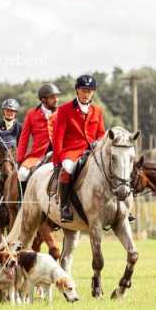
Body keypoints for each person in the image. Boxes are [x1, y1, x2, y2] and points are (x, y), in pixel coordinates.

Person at [52, 75, 106, 222]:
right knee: (68, 169)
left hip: (93, 151)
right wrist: (57, 161)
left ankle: (119, 206)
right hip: (71, 151)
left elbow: (101, 134)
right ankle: (64, 207)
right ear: (77, 91)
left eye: (89, 91)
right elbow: (58, 137)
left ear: (93, 92)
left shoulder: (98, 111)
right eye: (83, 90)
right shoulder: (64, 110)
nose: (86, 94)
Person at [17, 83, 61, 194]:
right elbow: (24, 138)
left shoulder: (62, 112)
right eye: (52, 97)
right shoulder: (31, 114)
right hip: (38, 155)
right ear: (43, 100)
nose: (56, 100)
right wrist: (20, 159)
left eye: (57, 96)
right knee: (22, 174)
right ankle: (23, 204)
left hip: (60, 153)